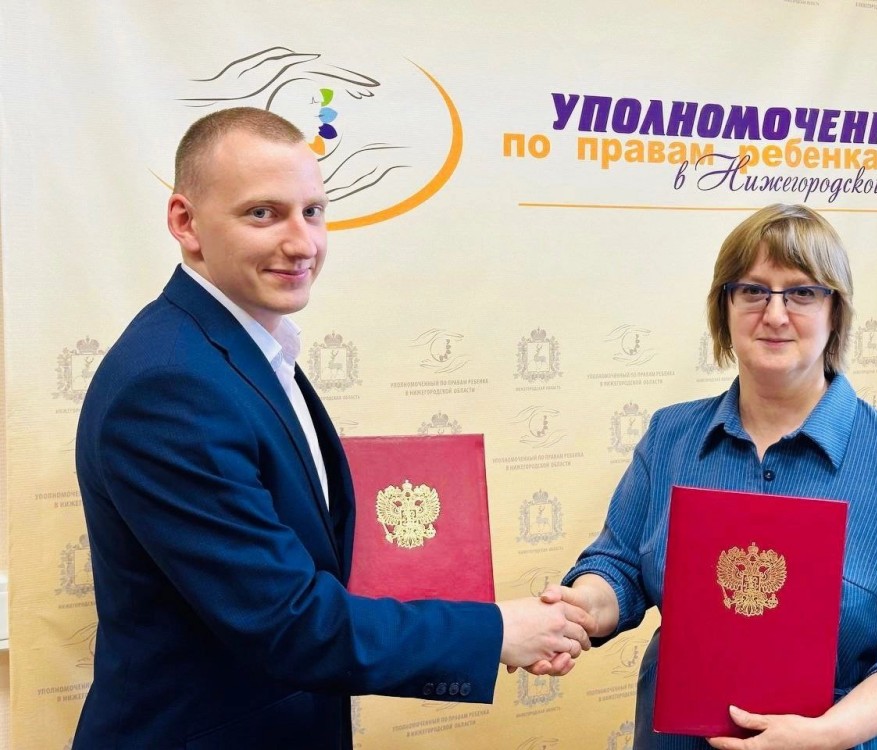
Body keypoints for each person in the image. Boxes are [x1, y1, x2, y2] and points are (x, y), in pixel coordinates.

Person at [73, 107, 594, 749]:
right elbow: (287, 623)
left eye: (313, 212)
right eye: (263, 214)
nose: (303, 244)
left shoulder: (242, 352)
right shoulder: (170, 385)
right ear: (186, 222)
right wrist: (496, 631)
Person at [537, 204, 877, 749]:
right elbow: (619, 564)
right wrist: (584, 606)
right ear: (724, 308)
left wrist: (831, 732)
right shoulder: (669, 436)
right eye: (752, 290)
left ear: (835, 312)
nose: (775, 314)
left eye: (802, 292)